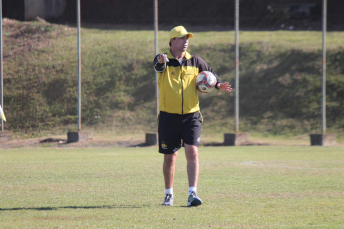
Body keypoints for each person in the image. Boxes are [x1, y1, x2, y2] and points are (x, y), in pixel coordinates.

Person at [153, 26, 232, 207]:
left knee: (192, 151)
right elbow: (158, 66)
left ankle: (192, 193)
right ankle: (168, 194)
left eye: (187, 38)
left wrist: (218, 84)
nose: (186, 41)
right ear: (172, 40)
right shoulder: (163, 60)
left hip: (191, 116)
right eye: (182, 38)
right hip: (168, 117)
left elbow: (210, 74)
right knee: (170, 157)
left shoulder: (195, 61)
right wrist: (161, 60)